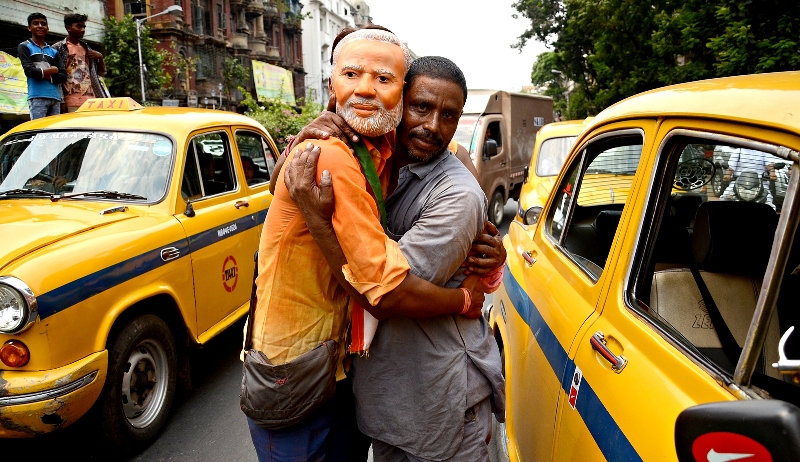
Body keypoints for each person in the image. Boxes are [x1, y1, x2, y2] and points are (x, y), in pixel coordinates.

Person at [247, 28, 495, 462]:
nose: (431, 126)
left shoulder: (413, 157)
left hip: (411, 392)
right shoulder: (349, 149)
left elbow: (388, 289)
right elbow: (386, 291)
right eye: (420, 107)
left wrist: (484, 235)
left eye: (383, 79)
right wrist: (462, 299)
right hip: (300, 373)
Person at [54, 13, 110, 113]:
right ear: (68, 28)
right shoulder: (58, 48)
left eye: (84, 27)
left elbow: (101, 74)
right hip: (71, 101)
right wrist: (61, 100)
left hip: (92, 101)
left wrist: (100, 58)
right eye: (79, 26)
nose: (83, 29)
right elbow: (56, 78)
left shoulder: (87, 49)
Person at [17, 13, 67, 119]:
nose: (40, 26)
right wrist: (52, 70)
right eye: (35, 23)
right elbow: (29, 71)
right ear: (29, 28)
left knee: (53, 133)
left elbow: (63, 75)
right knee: (38, 132)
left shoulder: (53, 51)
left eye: (43, 24)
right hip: (37, 97)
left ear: (47, 28)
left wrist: (47, 75)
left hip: (55, 98)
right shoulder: (24, 46)